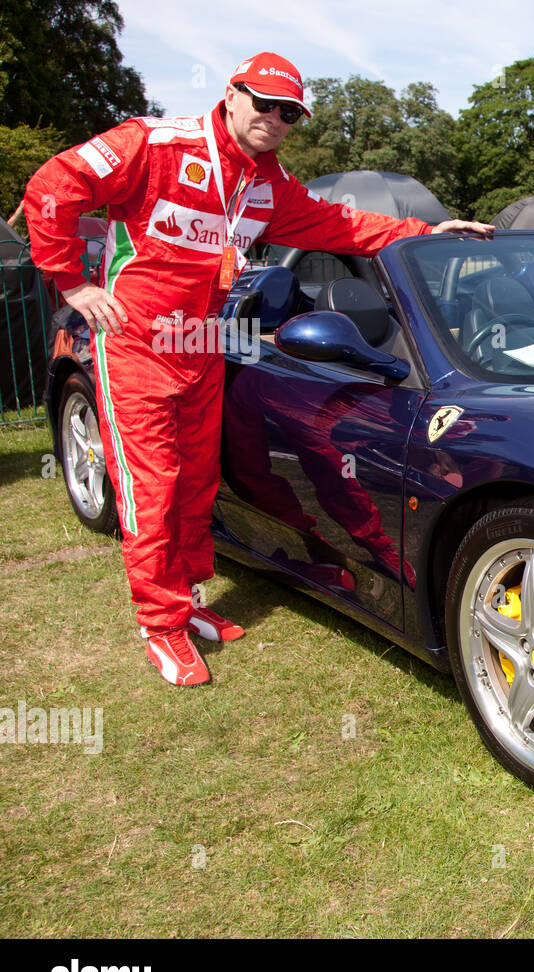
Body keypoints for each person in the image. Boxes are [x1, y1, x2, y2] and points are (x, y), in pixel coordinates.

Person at [24, 52, 492, 686]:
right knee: (152, 488)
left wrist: (430, 229)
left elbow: (344, 224)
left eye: (289, 112)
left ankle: (187, 603)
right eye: (264, 103)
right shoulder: (157, 142)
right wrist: (69, 283)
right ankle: (159, 624)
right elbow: (53, 186)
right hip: (134, 346)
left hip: (205, 345)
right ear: (232, 94)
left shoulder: (268, 185)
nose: (275, 118)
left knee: (194, 480)